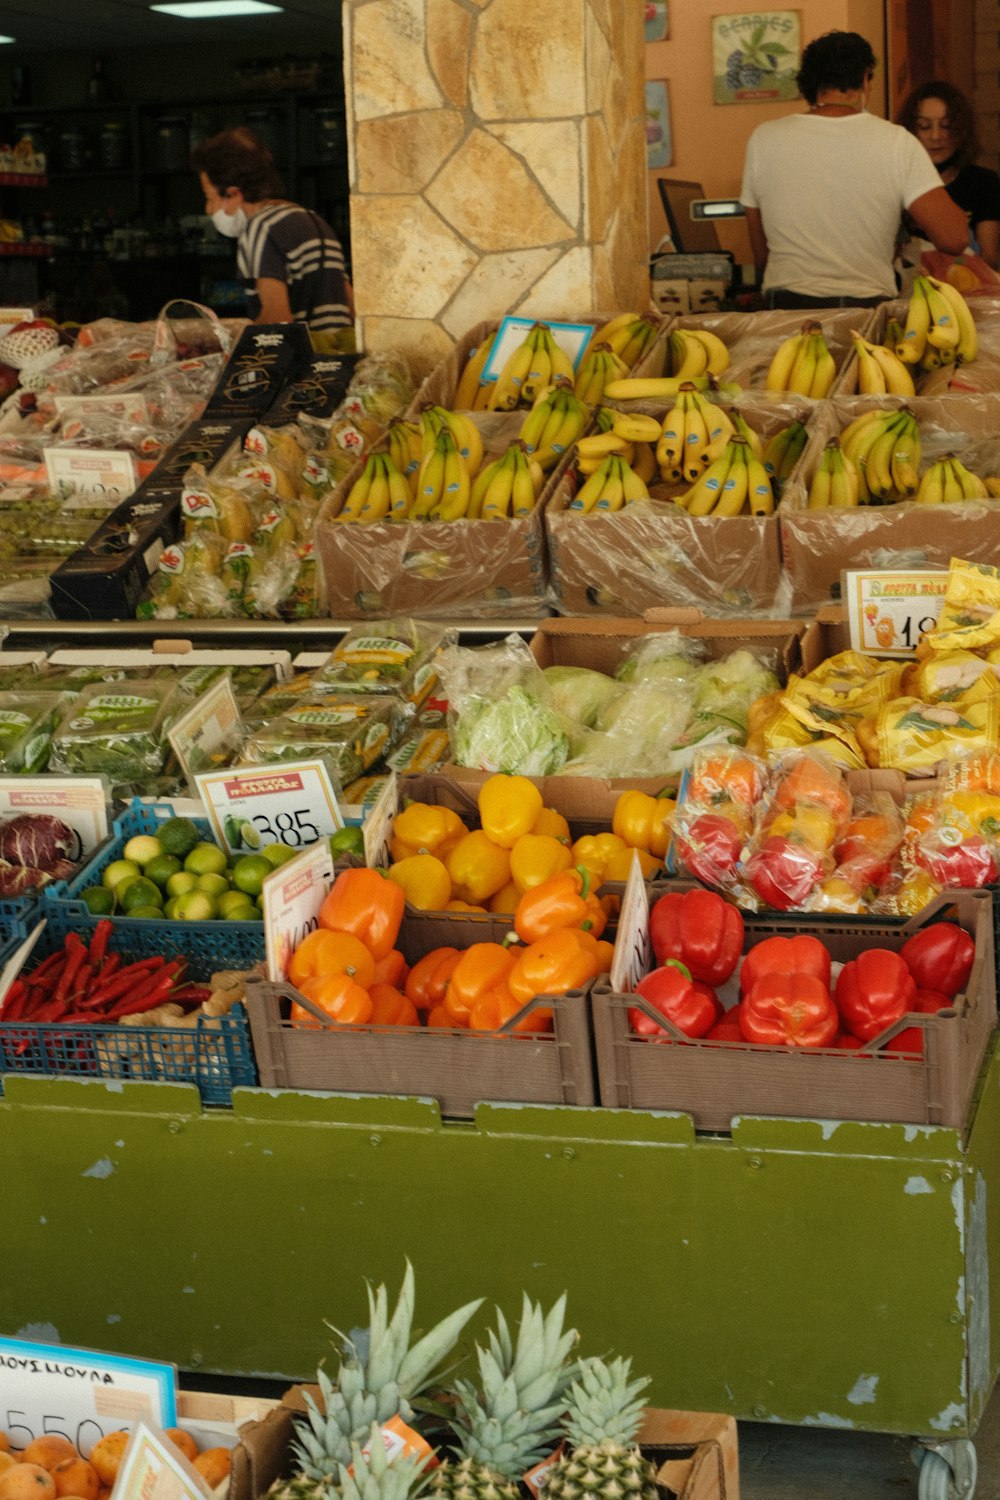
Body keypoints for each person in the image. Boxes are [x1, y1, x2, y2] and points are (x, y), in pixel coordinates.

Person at [739, 30, 969, 308]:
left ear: (810, 82)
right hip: (865, 312)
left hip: (784, 308)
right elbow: (954, 239)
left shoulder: (764, 138)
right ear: (864, 78)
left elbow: (761, 255)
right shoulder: (896, 141)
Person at [191, 127, 354, 346]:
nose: (209, 210)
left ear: (233, 193)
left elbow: (278, 320)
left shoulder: (260, 229)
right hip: (336, 359)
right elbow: (350, 305)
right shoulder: (314, 221)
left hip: (299, 367)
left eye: (209, 198)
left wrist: (228, 343)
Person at [898, 81, 1000, 268]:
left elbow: (990, 257)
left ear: (962, 130)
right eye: (925, 126)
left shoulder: (984, 183)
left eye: (946, 126)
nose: (936, 136)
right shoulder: (896, 183)